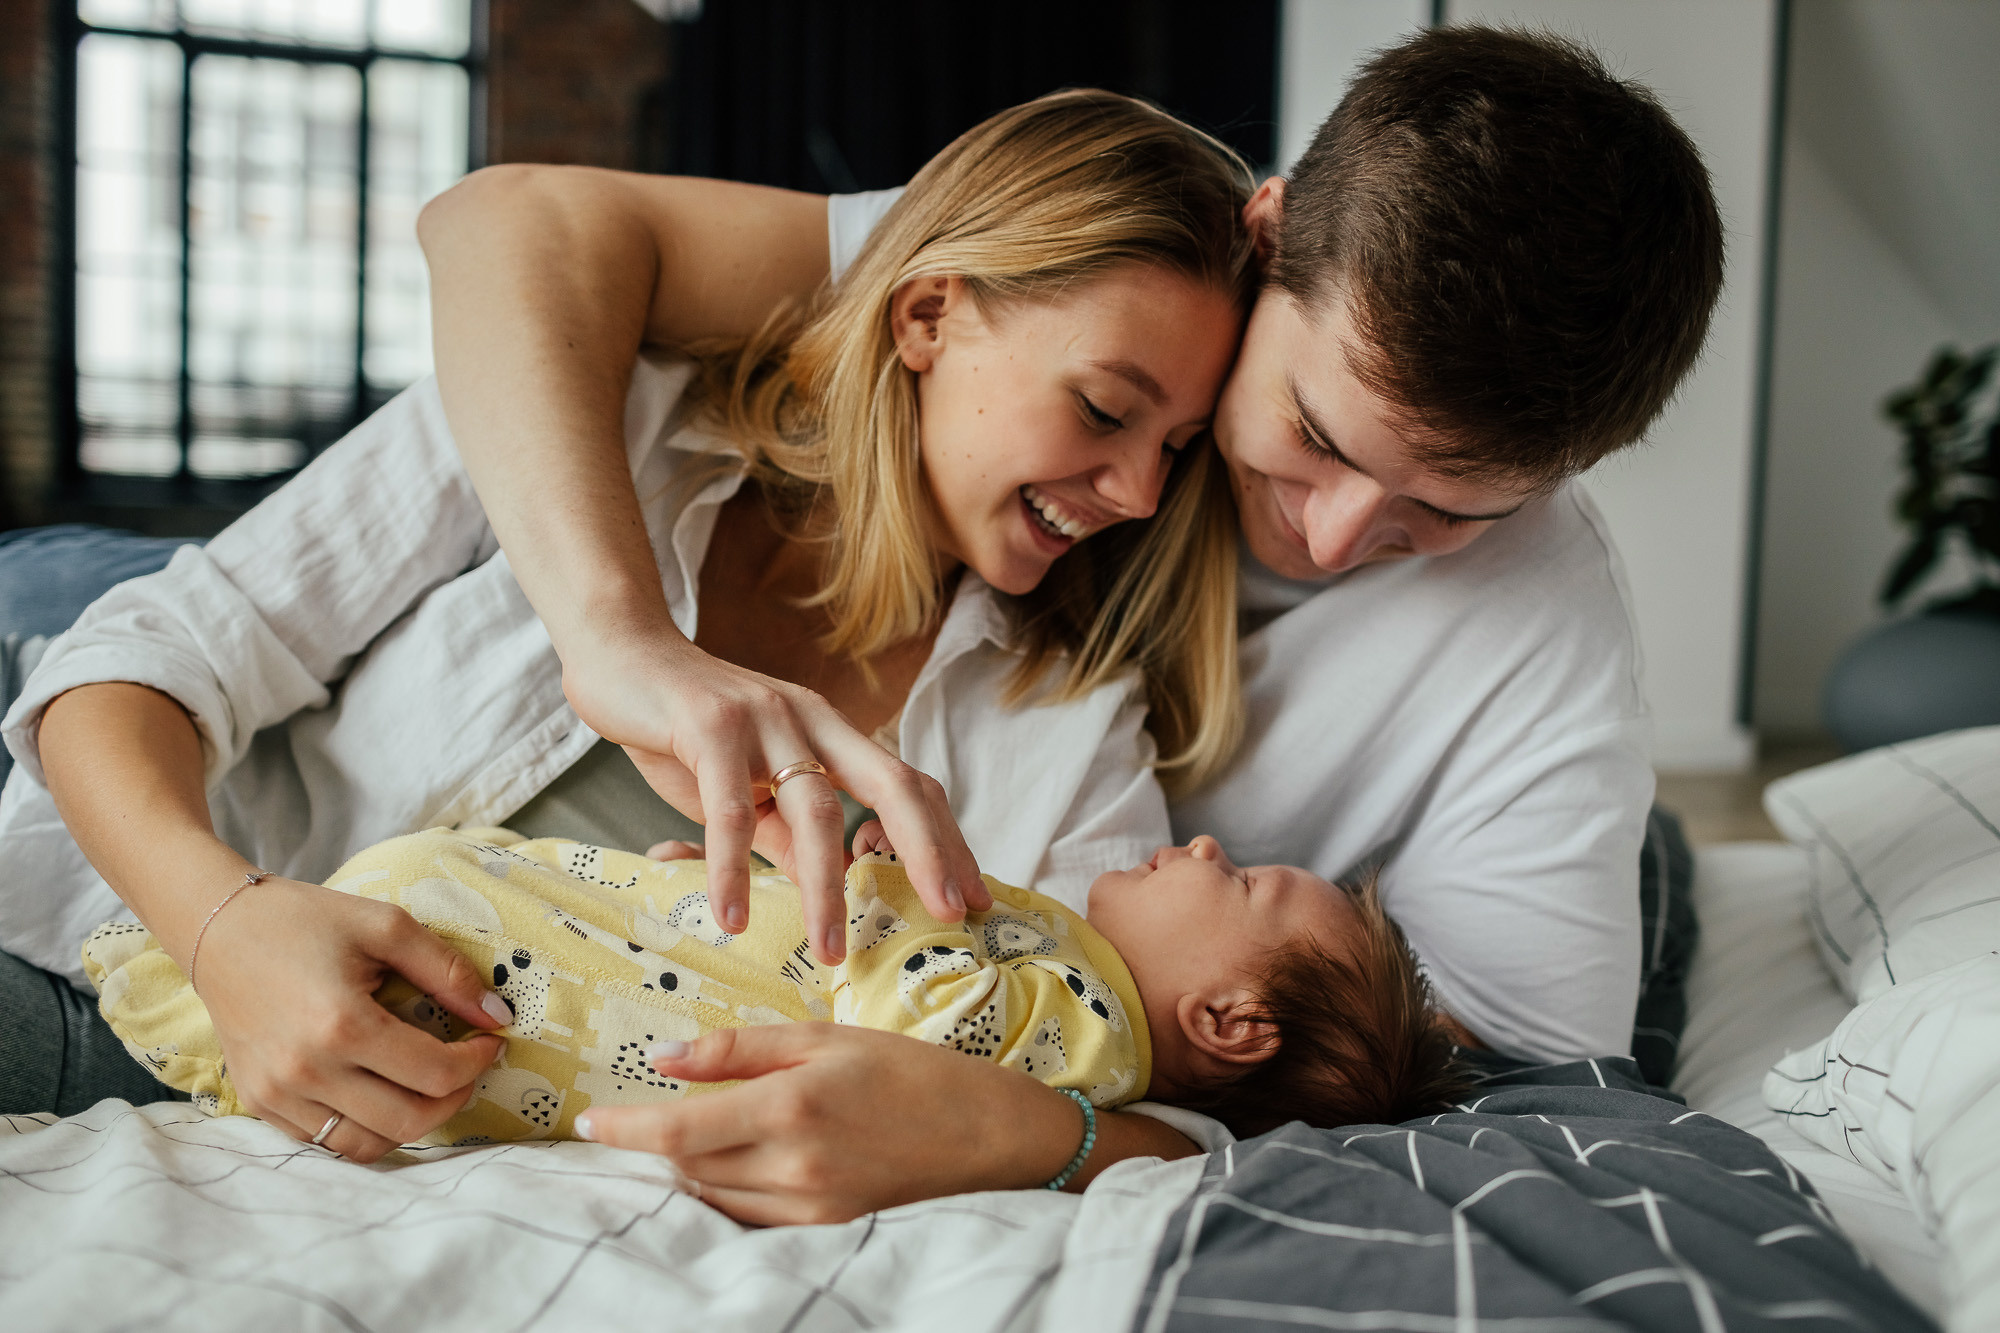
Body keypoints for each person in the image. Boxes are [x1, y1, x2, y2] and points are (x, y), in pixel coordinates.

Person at [400, 25, 1726, 1220]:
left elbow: (1512, 1101)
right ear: (1264, 236)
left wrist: (1029, 1135)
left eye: (1447, 510)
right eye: (1315, 436)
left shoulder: (1542, 631)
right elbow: (508, 224)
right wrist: (620, 638)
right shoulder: (1095, 287)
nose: (1334, 542)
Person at [0, 91, 1257, 1166]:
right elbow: (132, 667)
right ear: (926, 316)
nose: (1139, 493)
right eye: (1105, 410)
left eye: (1178, 447)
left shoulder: (1065, 713)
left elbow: (1147, 1110)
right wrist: (221, 926)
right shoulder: (592, 421)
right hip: (95, 952)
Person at [85, 824, 1464, 1151]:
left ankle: (159, 1002)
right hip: (553, 933)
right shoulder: (1061, 964)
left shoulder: (1088, 1030)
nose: (1208, 844)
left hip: (488, 998)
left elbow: (911, 1026)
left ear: (1230, 1021)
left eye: (1246, 882)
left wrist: (877, 887)